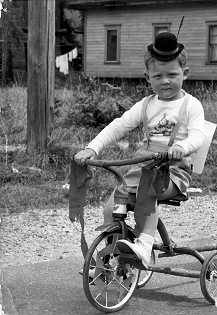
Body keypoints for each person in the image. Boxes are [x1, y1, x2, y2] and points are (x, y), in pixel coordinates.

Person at [74, 32, 205, 268]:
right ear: (147, 77)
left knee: (147, 191)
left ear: (185, 73)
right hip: (144, 167)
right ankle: (113, 259)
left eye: (173, 75)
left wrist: (180, 147)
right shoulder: (145, 105)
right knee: (111, 205)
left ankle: (144, 244)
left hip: (174, 172)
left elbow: (198, 136)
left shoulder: (191, 105)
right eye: (158, 76)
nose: (165, 81)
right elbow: (118, 127)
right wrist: (92, 148)